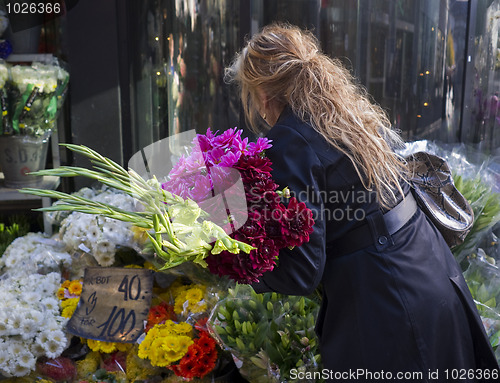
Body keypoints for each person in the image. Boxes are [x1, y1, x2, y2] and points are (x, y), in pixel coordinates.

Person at [224, 23, 499, 382]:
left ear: (262, 95)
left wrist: (231, 246)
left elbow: (302, 271)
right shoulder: (345, 110)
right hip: (428, 273)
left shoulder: (289, 138)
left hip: (387, 305)